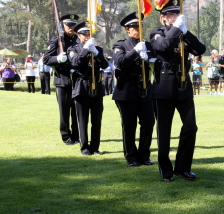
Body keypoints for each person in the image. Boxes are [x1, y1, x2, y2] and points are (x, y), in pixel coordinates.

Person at [150, 0, 206, 182]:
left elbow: (200, 49)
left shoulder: (182, 33)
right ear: (164, 17)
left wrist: (186, 32)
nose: (174, 17)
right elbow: (163, 46)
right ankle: (165, 170)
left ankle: (183, 167)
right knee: (164, 130)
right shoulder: (157, 32)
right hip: (164, 85)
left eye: (176, 14)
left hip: (183, 85)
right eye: (170, 14)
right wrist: (176, 30)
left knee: (191, 126)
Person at [112, 12, 156, 166]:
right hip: (127, 91)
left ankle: (144, 155)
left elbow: (156, 64)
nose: (138, 29)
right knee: (129, 126)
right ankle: (131, 156)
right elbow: (121, 62)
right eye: (134, 27)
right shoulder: (120, 45)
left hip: (145, 90)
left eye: (140, 26)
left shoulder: (148, 45)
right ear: (127, 29)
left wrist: (150, 58)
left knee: (148, 123)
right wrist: (135, 51)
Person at [67, 22, 108, 156]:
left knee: (97, 119)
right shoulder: (73, 49)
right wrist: (86, 48)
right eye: (84, 34)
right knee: (82, 119)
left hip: (96, 86)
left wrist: (96, 52)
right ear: (78, 36)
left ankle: (95, 147)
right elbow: (76, 62)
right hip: (82, 87)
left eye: (88, 34)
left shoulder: (98, 49)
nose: (86, 36)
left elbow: (105, 64)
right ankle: (84, 147)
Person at [44, 14, 80, 145]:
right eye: (68, 25)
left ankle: (76, 135)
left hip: (76, 80)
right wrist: (57, 59)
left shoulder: (78, 39)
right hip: (63, 80)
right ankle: (66, 136)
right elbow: (47, 59)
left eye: (73, 25)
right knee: (64, 111)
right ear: (63, 26)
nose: (71, 27)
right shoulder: (57, 40)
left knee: (76, 110)